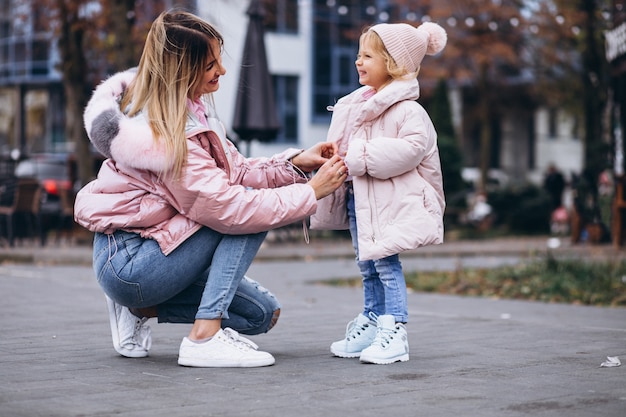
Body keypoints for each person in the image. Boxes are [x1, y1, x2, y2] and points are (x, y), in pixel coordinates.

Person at [74, 10, 347, 368]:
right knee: (249, 212)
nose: (222, 70)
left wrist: (297, 163)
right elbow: (233, 208)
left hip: (164, 244)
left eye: (219, 59)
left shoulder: (193, 112)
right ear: (182, 71)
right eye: (210, 65)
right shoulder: (163, 139)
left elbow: (237, 172)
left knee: (261, 315)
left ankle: (142, 308)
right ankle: (204, 336)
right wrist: (311, 192)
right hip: (131, 261)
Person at [310, 22, 447, 364]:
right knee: (367, 264)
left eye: (368, 55)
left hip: (391, 204)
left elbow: (412, 149)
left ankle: (395, 329)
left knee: (386, 264)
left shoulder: (408, 110)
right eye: (358, 54)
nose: (359, 61)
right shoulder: (358, 105)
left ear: (394, 63)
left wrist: (356, 156)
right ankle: (372, 320)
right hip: (362, 200)